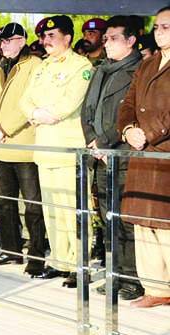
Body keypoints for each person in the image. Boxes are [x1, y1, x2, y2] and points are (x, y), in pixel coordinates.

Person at [19, 15, 92, 288]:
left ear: (68, 39)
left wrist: (47, 112)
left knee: (72, 209)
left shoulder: (81, 66)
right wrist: (37, 112)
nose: (45, 41)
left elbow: (70, 102)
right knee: (51, 209)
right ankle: (61, 261)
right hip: (45, 147)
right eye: (43, 37)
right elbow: (25, 100)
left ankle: (79, 265)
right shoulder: (42, 67)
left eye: (52, 36)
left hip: (67, 148)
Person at [81, 15, 145, 300]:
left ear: (131, 41)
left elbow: (128, 113)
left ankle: (132, 278)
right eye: (105, 38)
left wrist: (105, 142)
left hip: (121, 155)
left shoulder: (139, 71)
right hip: (100, 154)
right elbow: (87, 110)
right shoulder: (100, 69)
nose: (106, 43)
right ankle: (113, 273)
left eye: (113, 38)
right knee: (108, 217)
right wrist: (92, 141)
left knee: (126, 219)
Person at [117, 6, 170, 308]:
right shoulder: (147, 64)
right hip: (142, 152)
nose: (159, 32)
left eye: (165, 27)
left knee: (166, 223)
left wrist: (147, 133)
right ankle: (156, 289)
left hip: (163, 154)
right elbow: (127, 103)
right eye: (157, 27)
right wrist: (127, 130)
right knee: (144, 224)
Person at [0, 23, 46, 275]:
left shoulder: (34, 66)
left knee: (32, 205)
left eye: (9, 41)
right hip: (0, 146)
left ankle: (37, 256)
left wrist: (4, 129)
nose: (4, 45)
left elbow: (29, 104)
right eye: (1, 41)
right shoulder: (1, 66)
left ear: (22, 40)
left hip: (23, 145)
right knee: (5, 203)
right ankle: (11, 251)